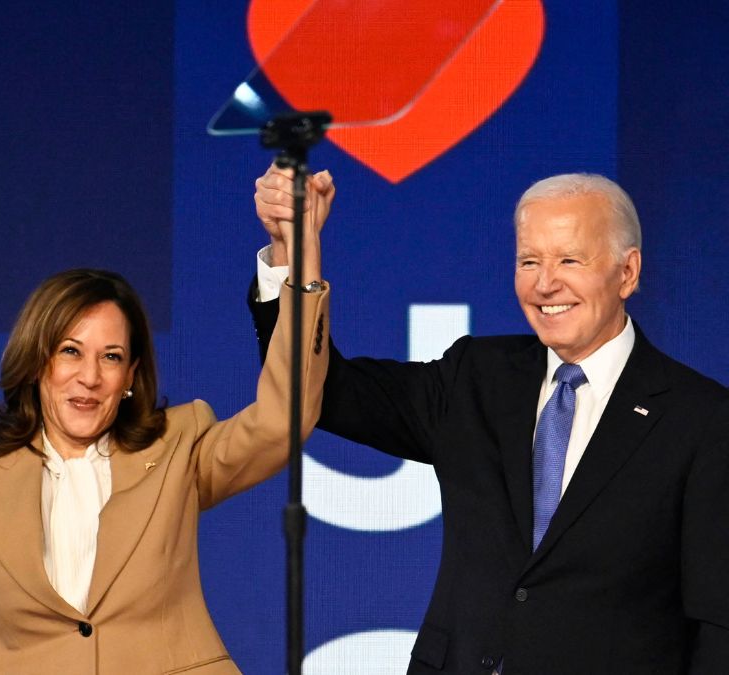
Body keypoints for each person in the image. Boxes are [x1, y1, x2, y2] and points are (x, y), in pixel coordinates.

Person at [0, 207, 330, 672]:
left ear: (130, 377)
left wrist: (297, 268)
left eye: (111, 357)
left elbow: (285, 416)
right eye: (70, 351)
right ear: (36, 360)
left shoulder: (177, 448)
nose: (90, 377)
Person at [249, 165, 729, 673]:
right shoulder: (476, 377)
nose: (545, 283)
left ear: (627, 273)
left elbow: (718, 623)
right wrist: (292, 257)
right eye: (528, 261)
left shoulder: (700, 420)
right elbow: (322, 390)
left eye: (569, 259)